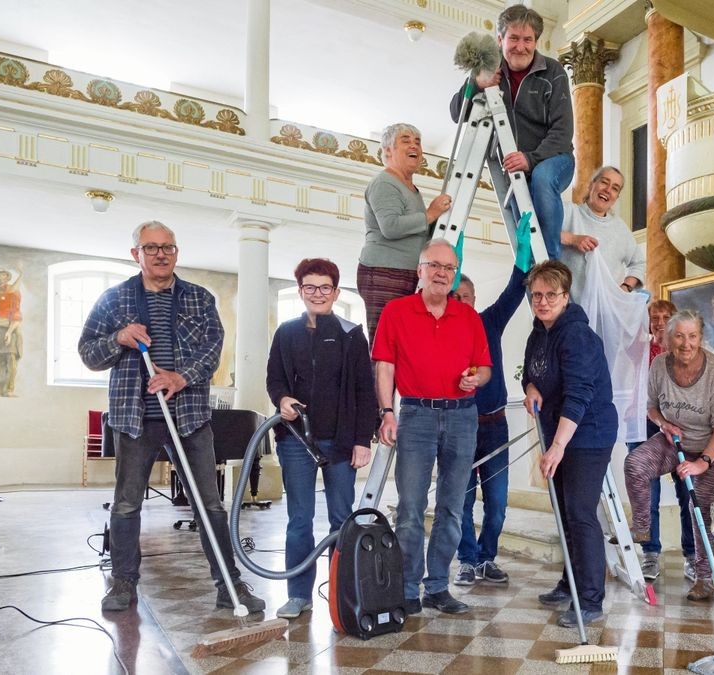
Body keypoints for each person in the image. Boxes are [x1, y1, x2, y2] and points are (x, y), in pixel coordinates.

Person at [79, 221, 264, 614]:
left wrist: (179, 377)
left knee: (209, 505)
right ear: (136, 254)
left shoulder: (199, 298)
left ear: (176, 252)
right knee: (127, 505)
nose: (160, 254)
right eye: (151, 248)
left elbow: (212, 350)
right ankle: (123, 581)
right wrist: (118, 339)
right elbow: (88, 353)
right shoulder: (114, 300)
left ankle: (229, 584)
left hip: (190, 417)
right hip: (133, 418)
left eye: (168, 247)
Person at [372, 239, 492, 615]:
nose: (441, 273)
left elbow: (484, 368)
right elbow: (384, 366)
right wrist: (386, 412)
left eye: (448, 268)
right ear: (420, 270)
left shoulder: (469, 317)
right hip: (416, 415)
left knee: (453, 508)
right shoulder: (396, 311)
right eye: (434, 265)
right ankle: (408, 588)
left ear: (454, 275)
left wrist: (477, 379)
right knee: (410, 506)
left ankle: (438, 586)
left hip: (462, 416)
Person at [265, 258, 377, 619]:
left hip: (342, 442)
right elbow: (275, 380)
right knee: (299, 519)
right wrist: (282, 400)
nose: (317, 293)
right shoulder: (286, 333)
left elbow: (365, 390)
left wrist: (363, 440)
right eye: (310, 287)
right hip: (297, 441)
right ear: (300, 292)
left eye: (324, 287)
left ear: (336, 292)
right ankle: (299, 595)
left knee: (342, 519)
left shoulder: (351, 334)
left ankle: (342, 592)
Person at [522, 260, 618, 628]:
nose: (543, 302)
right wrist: (530, 388)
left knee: (580, 512)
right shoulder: (537, 334)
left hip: (588, 433)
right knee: (564, 512)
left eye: (551, 295)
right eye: (536, 296)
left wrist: (558, 446)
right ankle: (569, 582)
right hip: (558, 432)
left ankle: (591, 599)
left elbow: (579, 393)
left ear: (566, 296)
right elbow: (530, 375)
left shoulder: (577, 335)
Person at [624, 310, 714, 601]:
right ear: (668, 339)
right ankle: (643, 529)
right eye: (679, 336)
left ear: (701, 337)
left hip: (713, 449)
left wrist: (702, 463)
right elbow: (650, 406)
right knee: (635, 464)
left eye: (693, 336)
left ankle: (704, 578)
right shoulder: (659, 364)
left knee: (697, 503)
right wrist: (664, 423)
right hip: (676, 441)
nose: (686, 343)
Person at [450, 3, 573, 262]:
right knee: (524, 239)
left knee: (541, 178)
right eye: (513, 38)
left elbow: (563, 132)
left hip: (554, 158)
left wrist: (531, 158)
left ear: (536, 41)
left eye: (528, 39)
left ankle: (551, 263)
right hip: (515, 168)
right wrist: (476, 84)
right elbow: (455, 113)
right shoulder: (486, 67)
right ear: (500, 39)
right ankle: (534, 274)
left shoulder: (553, 72)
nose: (521, 46)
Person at [451, 265, 527, 586]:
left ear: (474, 299)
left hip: (494, 427)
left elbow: (514, 292)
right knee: (462, 501)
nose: (460, 301)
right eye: (455, 297)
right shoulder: (440, 330)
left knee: (496, 503)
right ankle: (467, 561)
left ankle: (486, 558)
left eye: (465, 296)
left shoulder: (488, 322)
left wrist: (521, 262)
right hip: (457, 429)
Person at [358, 123, 452, 345]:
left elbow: (414, 232)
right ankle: (380, 382)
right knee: (385, 343)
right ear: (388, 150)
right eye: (406, 140)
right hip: (384, 272)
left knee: (402, 342)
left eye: (418, 142)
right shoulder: (385, 182)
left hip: (406, 273)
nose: (414, 146)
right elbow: (390, 226)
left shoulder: (410, 188)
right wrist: (430, 213)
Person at [625, 299, 698, 582]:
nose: (659, 321)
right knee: (646, 494)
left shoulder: (683, 351)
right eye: (654, 317)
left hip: (678, 423)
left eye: (666, 316)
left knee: (687, 491)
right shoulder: (639, 347)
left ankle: (692, 556)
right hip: (642, 422)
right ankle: (650, 554)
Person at [560, 166, 646, 301]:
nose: (608, 190)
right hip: (568, 310)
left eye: (615, 188)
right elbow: (538, 232)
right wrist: (572, 239)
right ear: (592, 184)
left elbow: (639, 263)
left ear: (617, 197)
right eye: (604, 182)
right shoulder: (568, 212)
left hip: (606, 314)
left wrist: (626, 287)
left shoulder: (621, 229)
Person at [0, 269, 23, 397]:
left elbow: (16, 311)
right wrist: (21, 276)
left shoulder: (16, 293)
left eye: (4, 275)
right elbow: (8, 292)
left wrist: (10, 331)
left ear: (8, 277)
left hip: (12, 326)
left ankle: (9, 389)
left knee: (11, 358)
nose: (2, 277)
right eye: (0, 275)